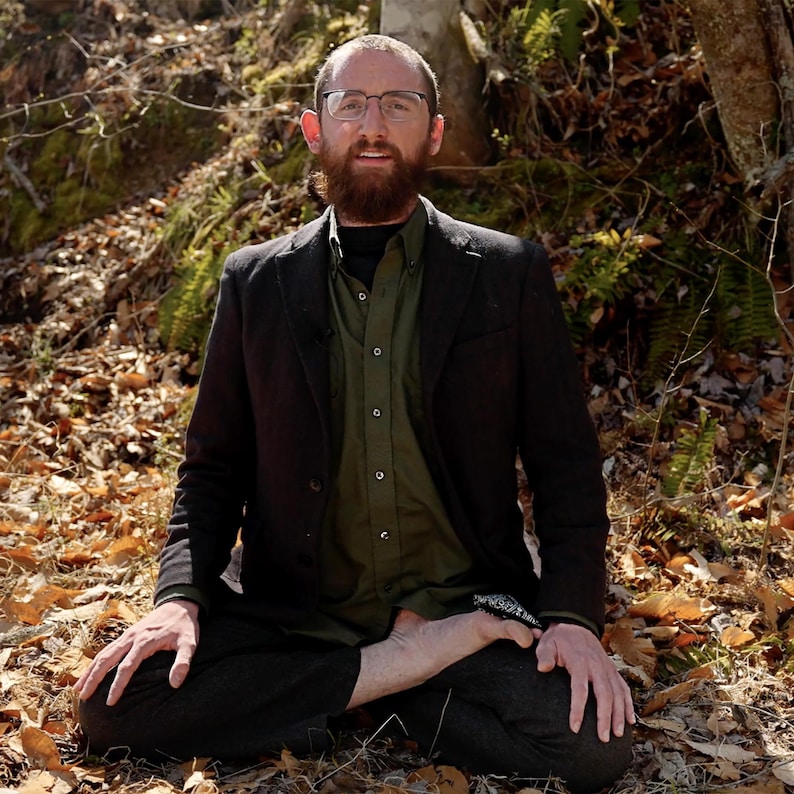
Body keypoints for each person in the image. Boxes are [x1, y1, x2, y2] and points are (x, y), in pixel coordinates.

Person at [76, 34, 634, 793]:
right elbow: (211, 469)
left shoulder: (508, 272)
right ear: (316, 129)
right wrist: (179, 600)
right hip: (294, 613)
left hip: (462, 609)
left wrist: (572, 617)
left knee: (591, 746)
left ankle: (339, 695)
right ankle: (391, 677)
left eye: (398, 105)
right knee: (115, 710)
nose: (373, 124)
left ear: (433, 132)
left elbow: (566, 466)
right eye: (350, 105)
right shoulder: (256, 282)